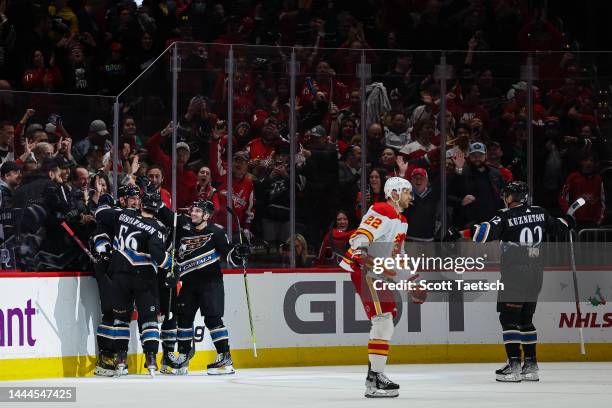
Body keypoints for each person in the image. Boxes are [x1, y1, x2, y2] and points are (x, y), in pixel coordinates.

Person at [448, 181, 575, 382]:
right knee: (526, 320)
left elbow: (483, 234)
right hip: (536, 274)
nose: (504, 198)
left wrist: (459, 233)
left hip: (515, 274)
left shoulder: (505, 215)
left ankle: (514, 366)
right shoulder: (540, 212)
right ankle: (531, 367)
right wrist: (569, 219)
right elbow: (560, 227)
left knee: (508, 319)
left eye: (506, 195)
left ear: (511, 197)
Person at [339, 177, 424, 398]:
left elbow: (399, 255)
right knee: (383, 320)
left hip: (377, 270)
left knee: (386, 319)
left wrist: (412, 279)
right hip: (366, 269)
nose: (410, 197)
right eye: (407, 192)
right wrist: (361, 252)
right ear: (394, 193)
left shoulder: (402, 220)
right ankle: (375, 378)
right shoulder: (382, 208)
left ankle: (374, 377)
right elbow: (361, 235)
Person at [157, 199, 249, 375]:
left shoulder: (216, 232)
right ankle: (183, 357)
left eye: (197, 211)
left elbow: (230, 257)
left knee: (213, 320)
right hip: (189, 284)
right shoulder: (185, 231)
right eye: (192, 210)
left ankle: (225, 357)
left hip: (211, 284)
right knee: (183, 319)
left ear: (206, 215)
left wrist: (239, 253)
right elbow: (174, 253)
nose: (193, 213)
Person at [94, 192, 171, 377]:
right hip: (144, 278)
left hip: (120, 276)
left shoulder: (123, 215)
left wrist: (104, 203)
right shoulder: (158, 227)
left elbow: (101, 213)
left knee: (121, 319)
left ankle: (121, 358)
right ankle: (151, 357)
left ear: (142, 204)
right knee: (148, 319)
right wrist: (171, 264)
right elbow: (158, 256)